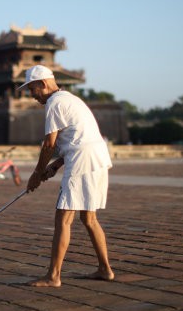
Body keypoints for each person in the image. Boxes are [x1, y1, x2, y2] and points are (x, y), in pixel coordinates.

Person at [20, 65, 114, 287]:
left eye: (32, 90)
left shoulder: (54, 103)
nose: (32, 96)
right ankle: (105, 269)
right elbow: (78, 139)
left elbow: (49, 145)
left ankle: (53, 276)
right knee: (88, 218)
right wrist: (55, 165)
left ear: (42, 84)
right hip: (98, 158)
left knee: (63, 218)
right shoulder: (70, 99)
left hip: (83, 162)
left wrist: (36, 174)